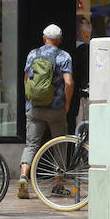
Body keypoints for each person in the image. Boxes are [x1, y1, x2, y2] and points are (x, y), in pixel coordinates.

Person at [18, 23, 74, 198]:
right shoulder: (64, 56)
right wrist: (67, 104)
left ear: (43, 38)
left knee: (32, 145)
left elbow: (26, 79)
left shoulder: (33, 54)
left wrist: (30, 100)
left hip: (34, 108)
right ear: (60, 39)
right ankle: (57, 185)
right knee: (59, 145)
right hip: (55, 109)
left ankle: (23, 178)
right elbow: (69, 83)